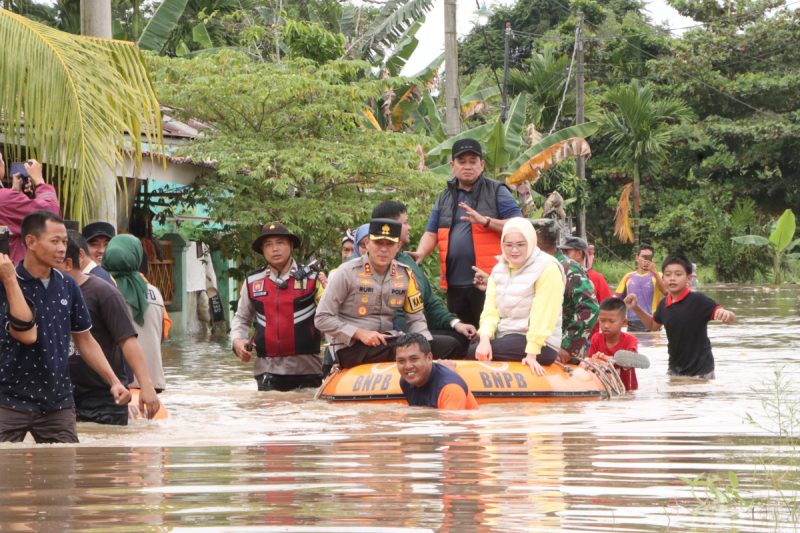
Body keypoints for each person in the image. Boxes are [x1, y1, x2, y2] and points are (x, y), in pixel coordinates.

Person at [0, 211, 130, 443]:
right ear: (30, 241)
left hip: (57, 402)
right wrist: (9, 280)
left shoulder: (67, 285)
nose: (62, 249)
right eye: (55, 241)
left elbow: (85, 339)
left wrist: (114, 381)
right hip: (8, 400)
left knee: (64, 472)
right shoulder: (6, 282)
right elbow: (26, 334)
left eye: (64, 242)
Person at [411, 138, 522, 327]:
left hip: (489, 282)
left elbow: (519, 226)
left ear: (482, 164)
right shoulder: (445, 197)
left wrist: (485, 221)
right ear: (452, 165)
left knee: (489, 336)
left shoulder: (497, 191)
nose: (468, 166)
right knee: (461, 338)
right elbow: (431, 233)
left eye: (473, 161)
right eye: (462, 162)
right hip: (454, 284)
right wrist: (421, 253)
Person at [61, 231, 160, 424]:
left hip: (104, 396)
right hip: (64, 396)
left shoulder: (104, 292)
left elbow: (127, 340)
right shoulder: (49, 293)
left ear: (76, 258)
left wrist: (146, 386)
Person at [315, 218, 431, 368]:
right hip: (351, 347)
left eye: (389, 244)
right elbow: (321, 318)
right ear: (367, 244)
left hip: (388, 341)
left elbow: (416, 320)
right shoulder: (346, 272)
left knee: (452, 344)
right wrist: (359, 333)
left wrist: (425, 346)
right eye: (378, 243)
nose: (384, 249)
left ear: (398, 246)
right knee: (399, 352)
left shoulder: (405, 274)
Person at [372, 200, 476, 358]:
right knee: (451, 344)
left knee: (464, 337)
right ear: (390, 227)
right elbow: (394, 316)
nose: (410, 227)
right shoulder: (377, 266)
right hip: (398, 337)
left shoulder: (408, 261)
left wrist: (456, 324)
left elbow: (429, 302)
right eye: (405, 223)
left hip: (420, 329)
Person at [231, 223, 323, 391]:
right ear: (262, 250)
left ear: (291, 245)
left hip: (308, 368)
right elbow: (242, 318)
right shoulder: (252, 282)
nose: (275, 249)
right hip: (267, 369)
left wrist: (335, 359)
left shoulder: (314, 278)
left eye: (280, 242)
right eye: (268, 244)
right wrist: (237, 341)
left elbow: (329, 317)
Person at [470, 217, 565, 375]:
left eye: (521, 244)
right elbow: (490, 311)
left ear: (531, 242)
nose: (514, 250)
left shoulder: (548, 267)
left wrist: (532, 354)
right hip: (506, 334)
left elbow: (544, 314)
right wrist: (485, 339)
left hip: (540, 342)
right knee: (474, 345)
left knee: (474, 351)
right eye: (509, 245)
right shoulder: (498, 269)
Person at [624, 254, 735, 379]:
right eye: (668, 274)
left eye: (678, 274)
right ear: (663, 278)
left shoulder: (698, 300)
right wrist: (635, 307)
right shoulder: (664, 304)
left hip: (701, 371)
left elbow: (730, 318)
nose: (672, 278)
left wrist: (727, 314)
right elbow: (653, 326)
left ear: (688, 279)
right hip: (675, 370)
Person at [102, 235, 168, 392]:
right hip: (153, 383)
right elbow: (163, 334)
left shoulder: (102, 289)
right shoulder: (155, 292)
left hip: (119, 385)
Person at [535, 221, 599, 362]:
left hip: (560, 353)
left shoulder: (567, 267)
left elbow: (590, 307)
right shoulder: (535, 266)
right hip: (535, 347)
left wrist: (567, 347)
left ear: (536, 241)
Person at [0, 156, 60, 265]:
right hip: (10, 275)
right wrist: (39, 181)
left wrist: (17, 195)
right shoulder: (4, 199)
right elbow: (50, 213)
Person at [395, 333, 478, 410]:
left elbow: (451, 425)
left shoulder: (450, 388)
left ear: (429, 358)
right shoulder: (405, 382)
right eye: (401, 361)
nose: (408, 366)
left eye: (414, 359)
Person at [560, 237, 611, 337]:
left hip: (588, 339)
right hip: (558, 338)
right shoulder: (557, 275)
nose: (563, 256)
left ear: (579, 254)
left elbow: (610, 310)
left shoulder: (596, 278)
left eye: (567, 252)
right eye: (562, 252)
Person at [587, 297, 639, 391]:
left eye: (611, 321)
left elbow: (632, 360)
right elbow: (590, 362)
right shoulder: (596, 338)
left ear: (623, 323)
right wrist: (595, 360)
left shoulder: (631, 340)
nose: (606, 325)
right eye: (602, 321)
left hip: (628, 391)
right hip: (605, 389)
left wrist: (608, 359)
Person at [614, 244, 668, 332]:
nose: (646, 260)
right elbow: (617, 300)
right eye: (643, 256)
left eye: (649, 257)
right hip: (632, 324)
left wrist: (654, 272)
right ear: (637, 257)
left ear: (653, 259)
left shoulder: (658, 276)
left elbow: (666, 292)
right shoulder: (628, 276)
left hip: (653, 322)